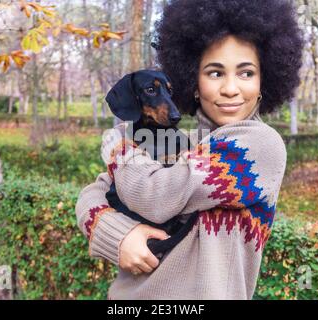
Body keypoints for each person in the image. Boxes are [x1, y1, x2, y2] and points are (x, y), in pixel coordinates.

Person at [76, 0, 304, 299]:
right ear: (193, 82)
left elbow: (156, 196)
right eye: (215, 73)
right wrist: (117, 235)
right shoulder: (181, 141)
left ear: (264, 81)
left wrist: (118, 145)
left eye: (246, 73)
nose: (231, 88)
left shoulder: (259, 145)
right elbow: (93, 193)